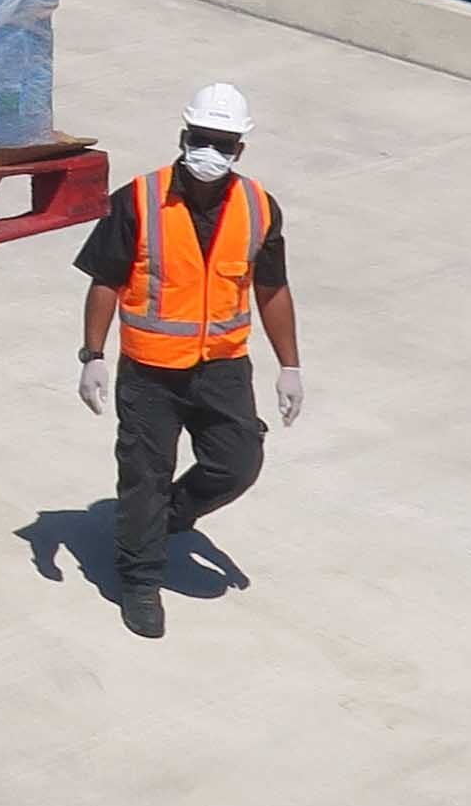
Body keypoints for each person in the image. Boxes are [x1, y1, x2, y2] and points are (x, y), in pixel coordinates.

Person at [75, 80, 309, 640]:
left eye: (222, 143)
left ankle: (171, 516)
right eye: (201, 138)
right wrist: (93, 353)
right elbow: (106, 279)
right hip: (151, 369)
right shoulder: (138, 199)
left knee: (238, 463)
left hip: (222, 366)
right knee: (143, 476)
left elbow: (272, 288)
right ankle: (139, 580)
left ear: (239, 150)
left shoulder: (258, 207)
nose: (210, 152)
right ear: (184, 136)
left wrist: (290, 365)